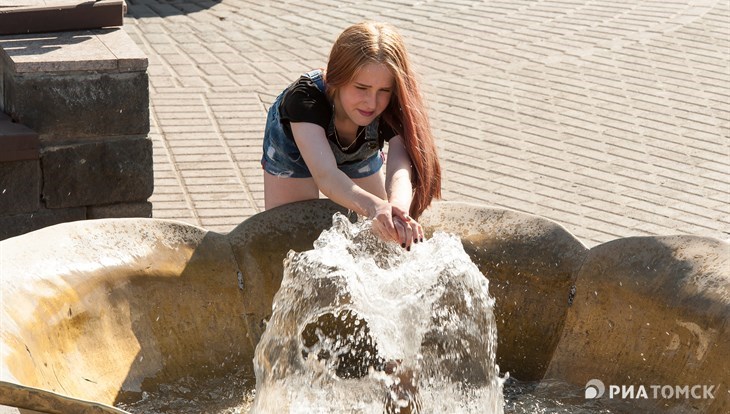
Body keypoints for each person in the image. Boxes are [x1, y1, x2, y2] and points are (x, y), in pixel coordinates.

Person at [261, 21, 441, 250]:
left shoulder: (391, 104)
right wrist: (374, 206)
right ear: (337, 79)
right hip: (295, 151)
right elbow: (326, 175)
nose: (372, 103)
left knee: (381, 239)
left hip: (357, 149)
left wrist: (397, 208)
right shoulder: (305, 99)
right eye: (361, 88)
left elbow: (400, 169)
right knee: (293, 243)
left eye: (383, 91)